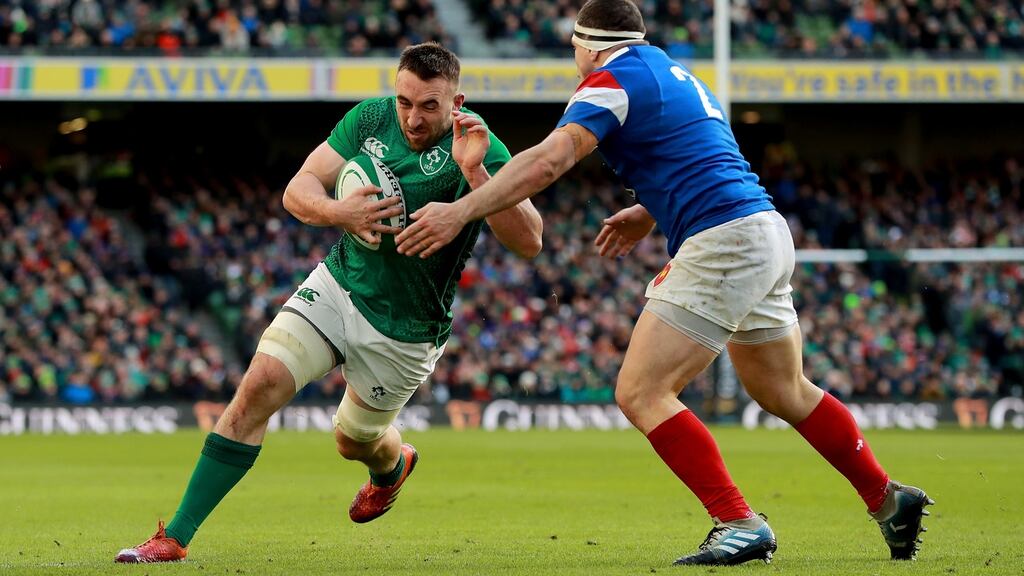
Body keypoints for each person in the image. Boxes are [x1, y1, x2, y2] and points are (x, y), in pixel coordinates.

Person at [394, 0, 932, 567]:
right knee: (784, 390)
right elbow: (699, 156)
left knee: (641, 391)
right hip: (764, 230)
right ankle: (886, 498)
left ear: (588, 43)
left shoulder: (610, 80)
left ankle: (738, 520)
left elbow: (550, 162)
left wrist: (461, 210)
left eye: (574, 47)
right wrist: (648, 210)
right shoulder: (677, 75)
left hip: (722, 239)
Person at [114, 42, 542, 563]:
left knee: (353, 440)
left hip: (405, 328)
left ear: (456, 101)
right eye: (405, 100)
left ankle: (392, 466)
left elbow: (529, 240)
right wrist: (341, 213)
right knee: (258, 386)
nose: (412, 116)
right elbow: (299, 188)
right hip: (339, 285)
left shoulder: (477, 142)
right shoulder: (369, 119)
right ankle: (174, 537)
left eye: (429, 105)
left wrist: (476, 176)